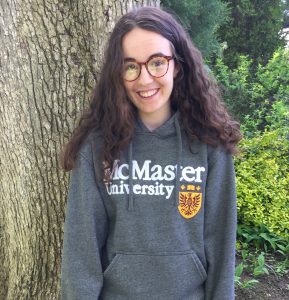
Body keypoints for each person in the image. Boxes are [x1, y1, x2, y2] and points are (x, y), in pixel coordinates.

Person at [60, 6, 242, 300]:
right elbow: (81, 253)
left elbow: (221, 245)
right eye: (130, 66)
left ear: (177, 65)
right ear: (118, 74)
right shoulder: (96, 147)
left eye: (157, 62)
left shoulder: (210, 144)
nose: (144, 79)